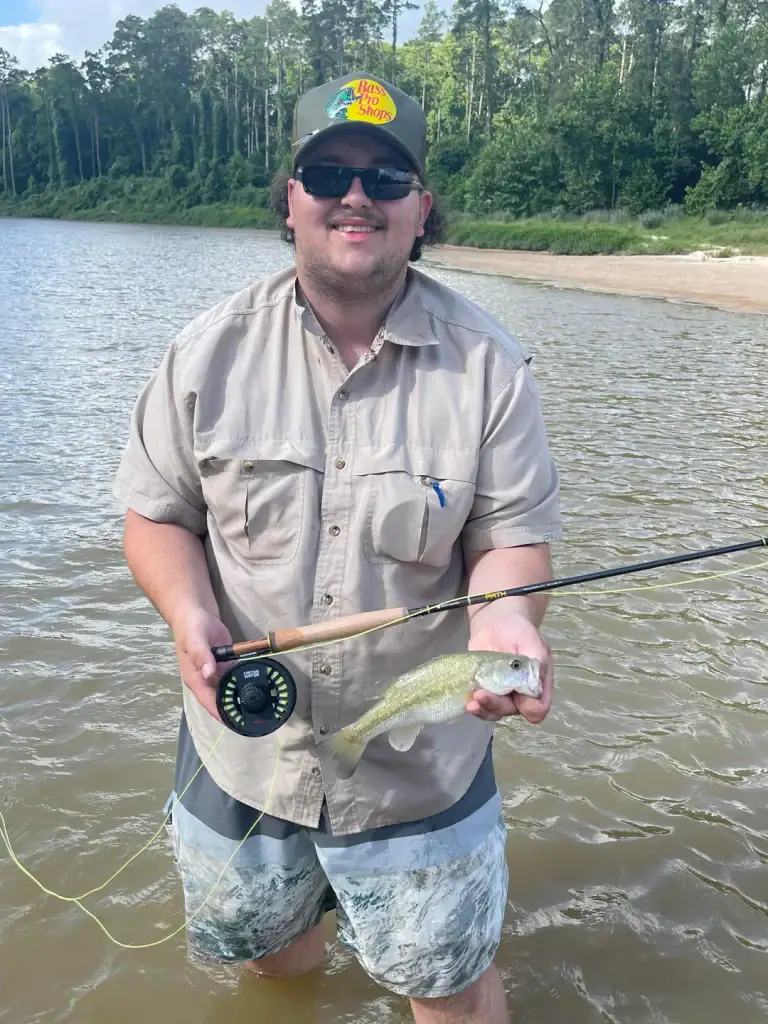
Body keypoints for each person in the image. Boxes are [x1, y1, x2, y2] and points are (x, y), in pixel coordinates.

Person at [114, 72, 563, 1024]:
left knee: (448, 986)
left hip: (423, 768)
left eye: (387, 178)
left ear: (421, 210)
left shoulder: (492, 369)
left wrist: (512, 621)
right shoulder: (205, 353)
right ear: (291, 199)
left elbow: (511, 541)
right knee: (276, 964)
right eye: (328, 172)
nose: (355, 194)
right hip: (243, 749)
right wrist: (188, 615)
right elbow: (156, 516)